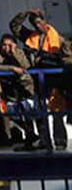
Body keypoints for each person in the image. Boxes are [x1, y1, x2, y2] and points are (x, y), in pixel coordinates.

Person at [10, 9, 72, 150]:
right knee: (40, 111)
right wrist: (26, 12)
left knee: (57, 112)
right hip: (36, 80)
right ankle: (44, 141)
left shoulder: (59, 40)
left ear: (45, 22)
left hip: (55, 80)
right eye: (34, 24)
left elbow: (68, 58)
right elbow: (14, 26)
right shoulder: (30, 37)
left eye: (39, 22)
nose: (37, 26)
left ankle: (60, 142)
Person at [0, 34, 38, 151]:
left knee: (28, 115)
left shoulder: (20, 52)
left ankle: (30, 141)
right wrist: (11, 68)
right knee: (13, 115)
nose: (6, 48)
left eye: (9, 45)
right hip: (10, 90)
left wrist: (14, 52)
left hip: (25, 88)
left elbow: (26, 65)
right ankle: (30, 133)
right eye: (4, 45)